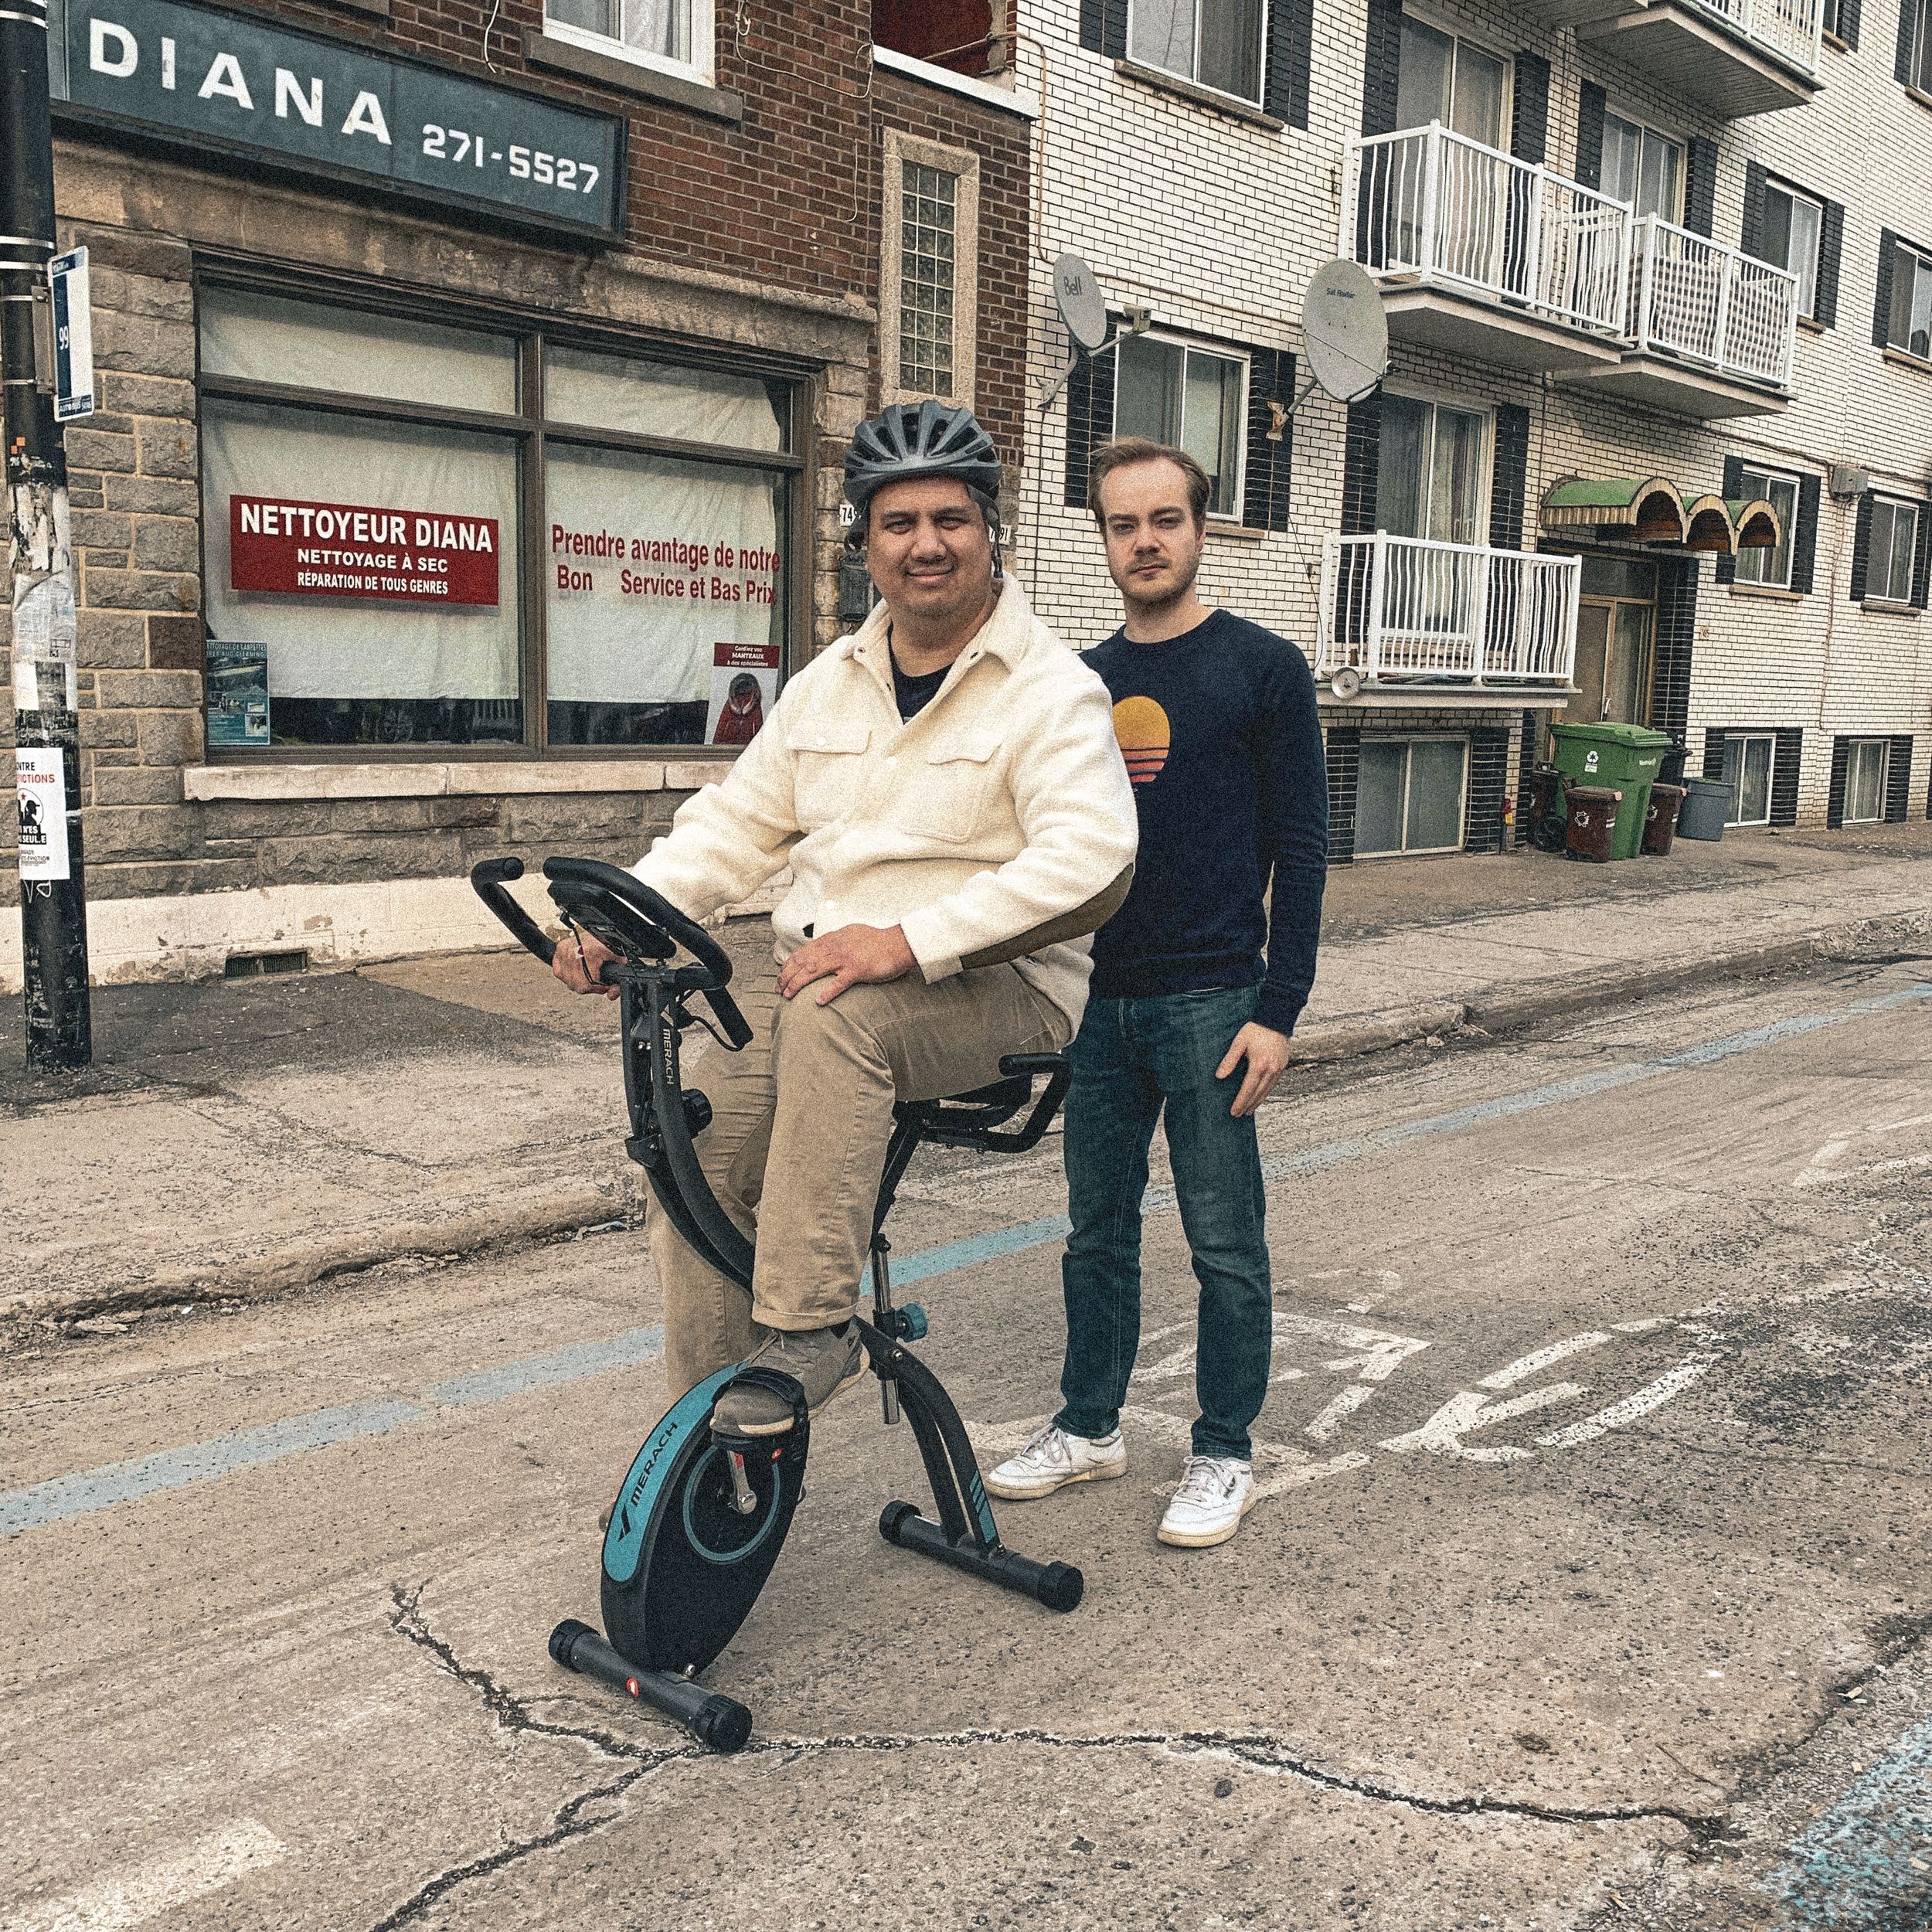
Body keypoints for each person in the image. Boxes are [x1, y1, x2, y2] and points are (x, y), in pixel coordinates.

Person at [554, 400, 1138, 1437]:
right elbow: (736, 823)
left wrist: (905, 941)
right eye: (899, 523)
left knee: (839, 1014)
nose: (927, 545)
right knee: (694, 1145)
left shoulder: (1052, 689)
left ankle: (808, 1324)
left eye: (951, 520)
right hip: (825, 978)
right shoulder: (832, 681)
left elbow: (1094, 862)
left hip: (999, 990)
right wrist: (624, 918)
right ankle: (711, 1439)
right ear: (863, 542)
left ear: (988, 531)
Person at [986, 437, 1328, 1548]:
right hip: (1097, 1001)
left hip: (1217, 1001)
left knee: (1225, 1239)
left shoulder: (1263, 669)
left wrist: (1279, 1010)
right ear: (1104, 540)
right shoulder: (1078, 682)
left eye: (1165, 520)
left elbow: (1305, 851)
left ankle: (1223, 1449)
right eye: (1123, 525)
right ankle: (1092, 1426)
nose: (1145, 541)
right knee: (1095, 1233)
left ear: (1200, 527)